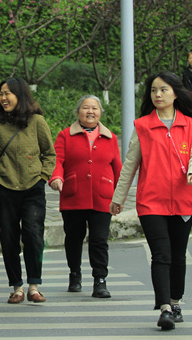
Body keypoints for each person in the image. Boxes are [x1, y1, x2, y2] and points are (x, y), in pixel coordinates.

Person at [110, 71, 192, 331]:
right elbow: (130, 165)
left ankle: (175, 302)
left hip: (184, 200)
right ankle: (164, 307)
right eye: (154, 90)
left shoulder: (189, 124)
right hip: (151, 202)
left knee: (178, 256)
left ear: (176, 93)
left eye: (163, 90)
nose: (157, 95)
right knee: (161, 255)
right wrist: (118, 198)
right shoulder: (143, 126)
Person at [0, 77, 56, 304]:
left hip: (33, 187)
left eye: (8, 93)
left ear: (21, 95)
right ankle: (16, 287)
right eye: (1, 93)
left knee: (34, 236)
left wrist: (43, 176)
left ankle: (34, 286)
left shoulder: (36, 122)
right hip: (5, 188)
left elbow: (49, 153)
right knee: (9, 239)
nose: (3, 98)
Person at [48, 95, 121, 298]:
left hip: (102, 197)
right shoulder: (65, 136)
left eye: (95, 108)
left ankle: (100, 280)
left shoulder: (111, 137)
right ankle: (75, 273)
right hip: (73, 196)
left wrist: (120, 196)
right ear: (78, 112)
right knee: (73, 238)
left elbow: (118, 169)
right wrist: (56, 178)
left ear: (100, 113)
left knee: (99, 240)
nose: (90, 112)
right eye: (86, 108)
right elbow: (58, 161)